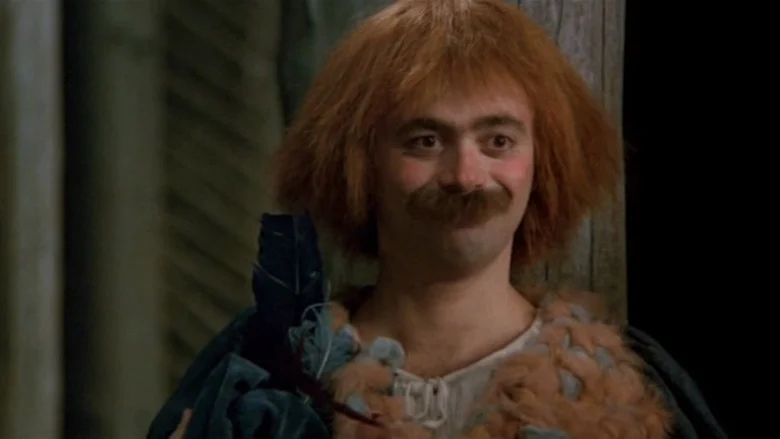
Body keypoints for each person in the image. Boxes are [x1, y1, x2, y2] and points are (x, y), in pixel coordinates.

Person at [148, 1, 727, 438]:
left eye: (498, 140)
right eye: (425, 140)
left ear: (543, 163)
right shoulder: (262, 378)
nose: (466, 176)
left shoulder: (629, 392)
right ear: (359, 166)